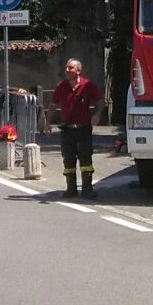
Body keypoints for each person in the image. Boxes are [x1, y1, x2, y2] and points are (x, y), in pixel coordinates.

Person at [47, 58, 104, 199]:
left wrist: (97, 114)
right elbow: (53, 105)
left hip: (83, 128)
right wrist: (47, 122)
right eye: (66, 67)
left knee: (85, 158)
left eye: (70, 68)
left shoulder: (87, 85)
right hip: (67, 129)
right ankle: (71, 189)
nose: (67, 70)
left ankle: (87, 189)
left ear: (78, 71)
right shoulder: (61, 86)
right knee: (68, 159)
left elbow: (100, 101)